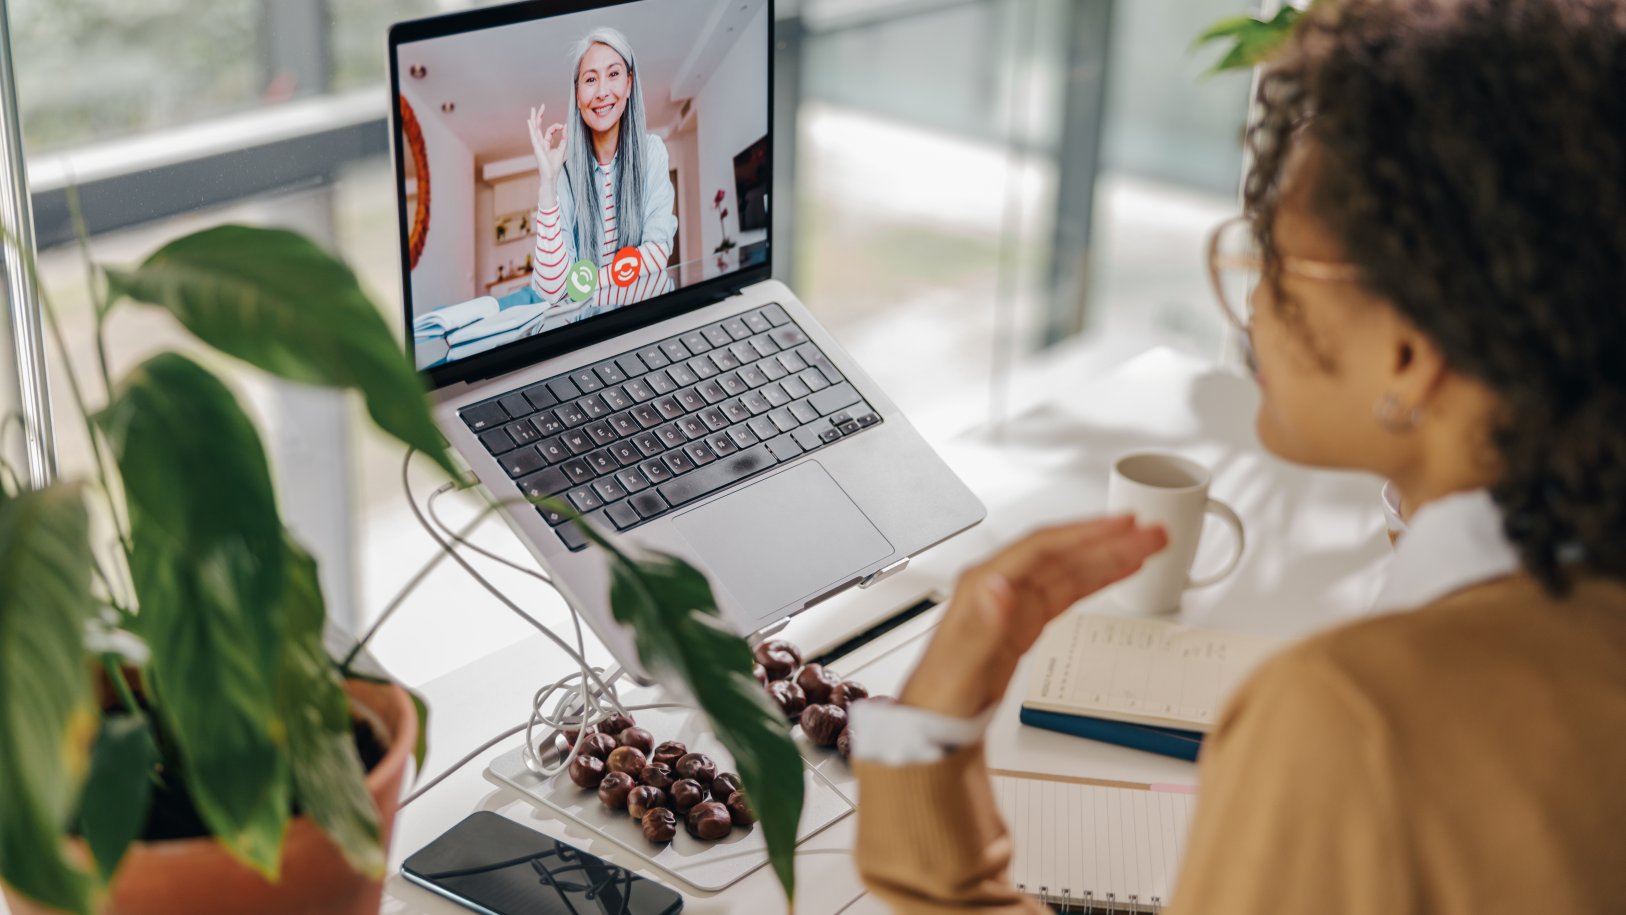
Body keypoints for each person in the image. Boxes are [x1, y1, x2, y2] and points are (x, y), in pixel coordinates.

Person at [848, 0, 1626, 911]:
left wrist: (924, 745)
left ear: (1410, 357)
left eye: (1273, 265)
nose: (1251, 309)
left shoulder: (1350, 719)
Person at [527, 26, 676, 316]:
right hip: (591, 335)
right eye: (590, 79)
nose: (602, 91)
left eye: (614, 74)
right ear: (578, 94)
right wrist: (548, 183)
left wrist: (582, 285)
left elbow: (657, 252)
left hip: (649, 320)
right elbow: (552, 289)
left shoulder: (652, 152)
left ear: (630, 83)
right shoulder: (565, 177)